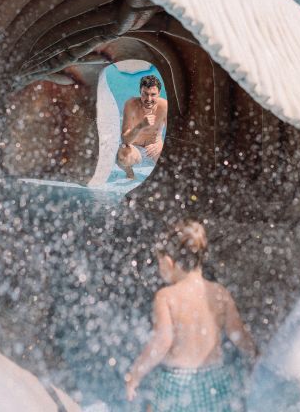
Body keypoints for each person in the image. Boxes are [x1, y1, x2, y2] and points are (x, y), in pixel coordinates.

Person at [125, 219, 257, 411]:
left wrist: (135, 374)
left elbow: (162, 342)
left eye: (159, 262)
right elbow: (239, 335)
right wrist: (258, 356)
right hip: (215, 381)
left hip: (176, 384)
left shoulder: (166, 297)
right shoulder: (220, 293)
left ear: (169, 262)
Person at [117, 74, 168, 179]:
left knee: (172, 161)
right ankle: (130, 174)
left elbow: (175, 135)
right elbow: (125, 140)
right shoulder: (131, 104)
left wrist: (161, 145)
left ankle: (160, 178)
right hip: (135, 150)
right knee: (122, 155)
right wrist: (141, 125)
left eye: (153, 94)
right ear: (140, 92)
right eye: (145, 94)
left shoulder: (165, 107)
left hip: (155, 149)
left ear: (159, 94)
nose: (148, 99)